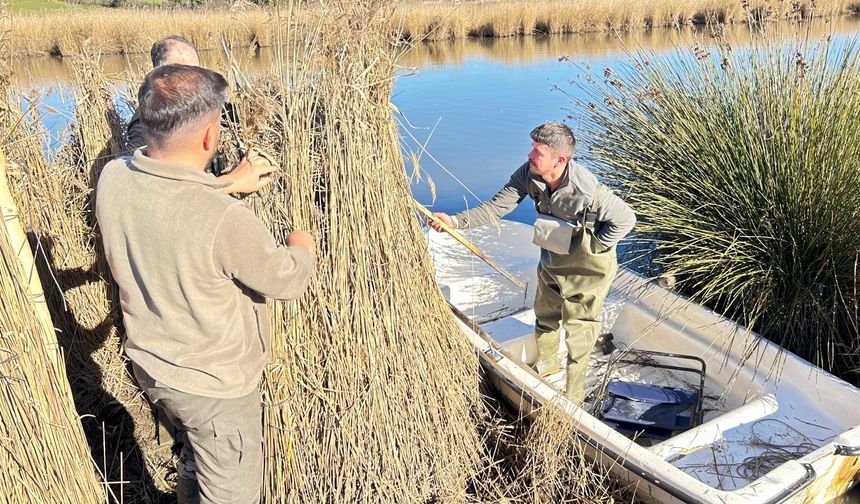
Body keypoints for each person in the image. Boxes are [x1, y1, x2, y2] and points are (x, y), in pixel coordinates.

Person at [96, 63, 316, 503]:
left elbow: (174, 203)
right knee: (231, 492)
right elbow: (286, 280)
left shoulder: (114, 177)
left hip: (155, 368)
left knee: (195, 461)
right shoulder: (223, 219)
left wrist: (227, 183)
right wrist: (302, 246)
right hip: (214, 388)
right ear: (209, 137)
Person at [429, 121, 635, 403]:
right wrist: (454, 221)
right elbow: (496, 207)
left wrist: (597, 245)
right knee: (546, 315)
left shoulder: (587, 191)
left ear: (559, 160)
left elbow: (626, 219)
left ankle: (573, 393)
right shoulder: (529, 174)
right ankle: (547, 368)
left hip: (588, 270)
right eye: (532, 148)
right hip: (552, 260)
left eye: (537, 151)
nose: (529, 155)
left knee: (580, 327)